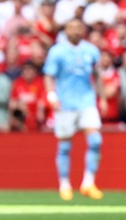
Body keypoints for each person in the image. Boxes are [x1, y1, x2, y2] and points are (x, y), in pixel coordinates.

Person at [42, 19, 104, 201]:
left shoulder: (91, 50)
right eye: (72, 28)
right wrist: (51, 96)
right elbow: (49, 76)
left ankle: (88, 183)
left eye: (79, 28)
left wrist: (102, 98)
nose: (76, 31)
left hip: (87, 102)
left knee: (95, 141)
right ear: (66, 30)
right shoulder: (57, 51)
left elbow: (97, 75)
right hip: (65, 103)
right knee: (65, 146)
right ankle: (64, 185)